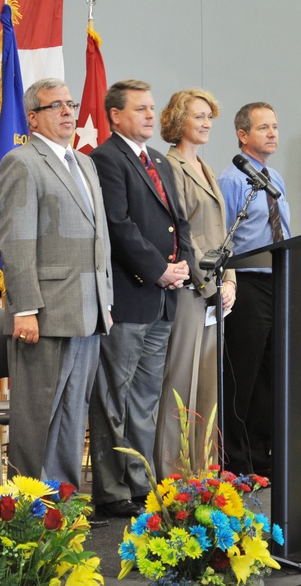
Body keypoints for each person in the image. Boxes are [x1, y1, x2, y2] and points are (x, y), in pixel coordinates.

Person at [0, 77, 112, 487]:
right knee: (38, 413)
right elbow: (16, 239)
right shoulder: (21, 162)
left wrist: (105, 298)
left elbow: (101, 237)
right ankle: (28, 504)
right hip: (44, 312)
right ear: (33, 118)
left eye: (70, 103)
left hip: (88, 309)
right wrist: (24, 308)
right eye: (55, 106)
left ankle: (62, 500)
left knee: (73, 414)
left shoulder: (85, 162)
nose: (67, 112)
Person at [88, 80, 193, 516]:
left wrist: (184, 265)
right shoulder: (105, 159)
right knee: (114, 396)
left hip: (163, 298)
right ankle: (112, 492)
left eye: (152, 108)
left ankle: (141, 483)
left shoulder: (156, 161)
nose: (151, 115)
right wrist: (158, 270)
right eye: (141, 108)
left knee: (146, 397)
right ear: (115, 115)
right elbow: (118, 225)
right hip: (130, 296)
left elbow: (177, 220)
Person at [156, 88, 236, 478]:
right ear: (177, 121)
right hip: (191, 289)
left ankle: (205, 470)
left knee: (208, 383)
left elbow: (222, 232)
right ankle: (174, 472)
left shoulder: (206, 166)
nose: (206, 123)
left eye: (209, 117)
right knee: (181, 383)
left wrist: (231, 279)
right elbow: (185, 232)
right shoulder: (170, 166)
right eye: (198, 116)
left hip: (215, 288)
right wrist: (211, 282)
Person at [217, 102, 291, 476]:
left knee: (269, 377)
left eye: (275, 126)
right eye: (264, 128)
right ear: (243, 135)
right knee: (241, 378)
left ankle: (263, 460)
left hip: (278, 282)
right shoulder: (231, 181)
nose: (273, 133)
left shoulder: (274, 178)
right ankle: (236, 463)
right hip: (244, 284)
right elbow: (222, 238)